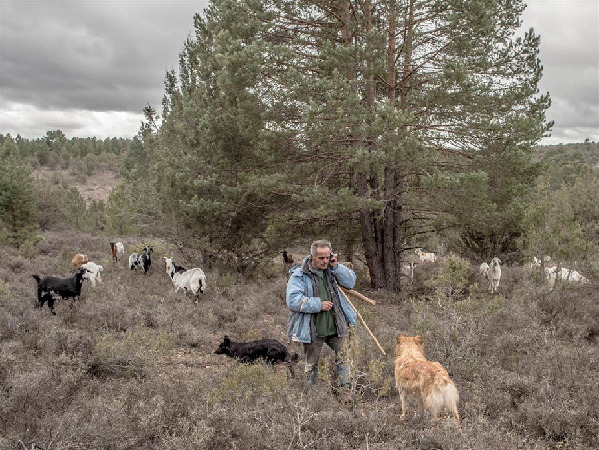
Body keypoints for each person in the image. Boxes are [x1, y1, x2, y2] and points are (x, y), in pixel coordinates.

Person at [286, 240, 357, 388]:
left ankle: (345, 391)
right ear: (312, 257)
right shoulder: (299, 275)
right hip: (312, 330)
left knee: (344, 358)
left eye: (327, 257)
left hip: (336, 326)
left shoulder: (332, 270)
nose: (325, 261)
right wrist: (318, 304)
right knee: (311, 365)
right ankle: (312, 396)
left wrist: (336, 266)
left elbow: (350, 282)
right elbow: (293, 300)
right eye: (321, 258)